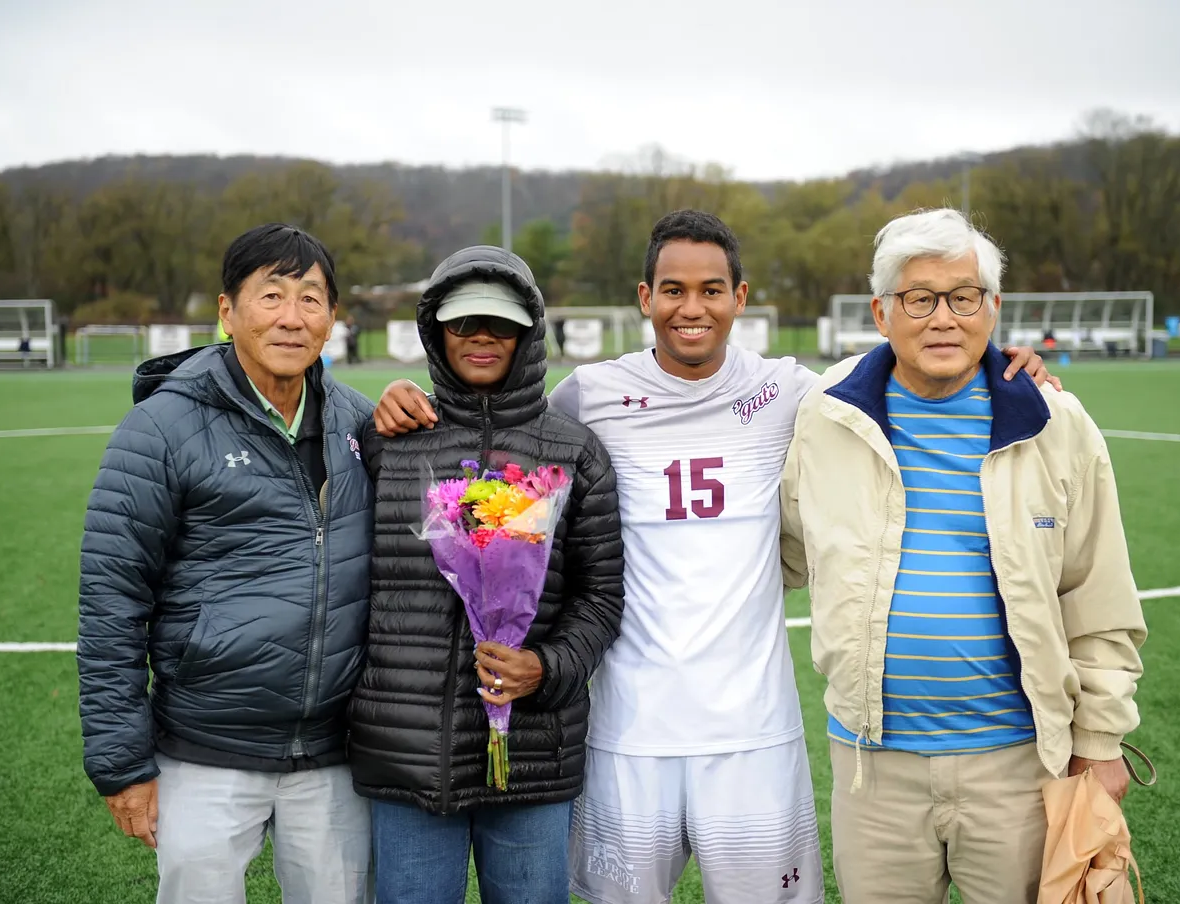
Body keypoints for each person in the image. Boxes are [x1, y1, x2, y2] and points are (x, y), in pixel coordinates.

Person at [372, 210, 1055, 904]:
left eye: (710, 290)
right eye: (672, 290)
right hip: (628, 732)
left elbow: (904, 372)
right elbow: (509, 428)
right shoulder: (591, 396)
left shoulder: (794, 392)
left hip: (752, 732)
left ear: (741, 298)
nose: (690, 308)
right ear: (646, 298)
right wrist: (411, 400)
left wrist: (1002, 364)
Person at [780, 209, 1148, 904]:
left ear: (993, 307)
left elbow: (1097, 593)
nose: (943, 318)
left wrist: (1100, 739)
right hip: (873, 770)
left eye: (963, 296)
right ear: (882, 312)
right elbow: (785, 552)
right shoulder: (825, 415)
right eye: (919, 298)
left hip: (1015, 767)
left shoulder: (1055, 422)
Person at [77, 224, 376, 904]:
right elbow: (111, 603)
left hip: (333, 753)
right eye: (270, 295)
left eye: (310, 298)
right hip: (204, 749)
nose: (291, 317)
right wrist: (123, 765)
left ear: (332, 317)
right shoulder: (159, 430)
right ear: (227, 310)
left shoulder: (357, 423)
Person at [351, 245, 625, 904]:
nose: (480, 337)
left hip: (530, 755)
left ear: (528, 332)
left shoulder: (572, 450)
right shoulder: (389, 439)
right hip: (408, 755)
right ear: (434, 330)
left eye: (500, 324)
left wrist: (547, 667)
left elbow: (602, 595)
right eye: (462, 323)